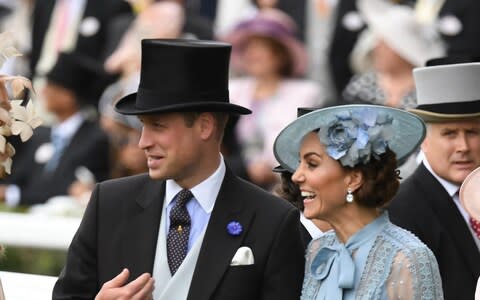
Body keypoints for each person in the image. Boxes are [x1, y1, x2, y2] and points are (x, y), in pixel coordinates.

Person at [52, 39, 305, 299]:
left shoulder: (272, 220)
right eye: (142, 125)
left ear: (205, 126)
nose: (143, 142)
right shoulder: (109, 203)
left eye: (158, 126)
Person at [274, 104, 443, 299]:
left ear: (354, 179)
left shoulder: (408, 258)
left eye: (311, 164)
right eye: (299, 164)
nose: (296, 176)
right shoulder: (318, 249)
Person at [388, 61, 480, 300]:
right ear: (423, 140)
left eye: (472, 132)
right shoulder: (402, 209)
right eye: (449, 134)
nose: (463, 147)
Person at [222, 8, 323, 189]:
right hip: (236, 181)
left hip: (287, 185)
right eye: (249, 48)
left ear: (281, 54)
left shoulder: (306, 93)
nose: (253, 54)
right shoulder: (233, 90)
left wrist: (270, 169)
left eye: (262, 48)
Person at [0, 51, 111, 206]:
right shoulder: (39, 135)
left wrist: (13, 195)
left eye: (51, 87)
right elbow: (20, 177)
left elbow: (70, 189)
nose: (44, 92)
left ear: (69, 95)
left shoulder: (95, 139)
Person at [343, 0, 445, 109]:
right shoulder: (362, 84)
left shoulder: (430, 92)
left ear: (403, 51)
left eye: (385, 46)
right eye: (376, 45)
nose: (377, 51)